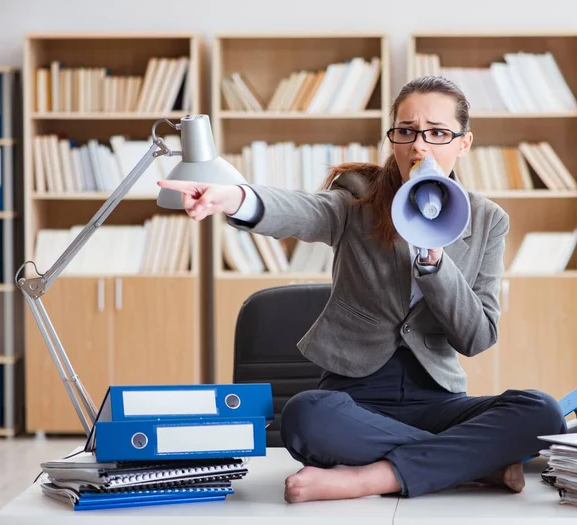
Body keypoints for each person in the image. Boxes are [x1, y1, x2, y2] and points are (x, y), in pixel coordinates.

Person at [158, 76, 567, 503]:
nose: (419, 147)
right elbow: (303, 211)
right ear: (393, 139)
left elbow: (478, 337)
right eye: (406, 131)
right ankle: (473, 462)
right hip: (354, 398)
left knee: (541, 412)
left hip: (438, 400)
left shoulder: (487, 220)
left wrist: (435, 261)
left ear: (463, 143)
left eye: (438, 133)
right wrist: (238, 199)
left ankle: (370, 478)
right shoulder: (360, 195)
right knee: (305, 416)